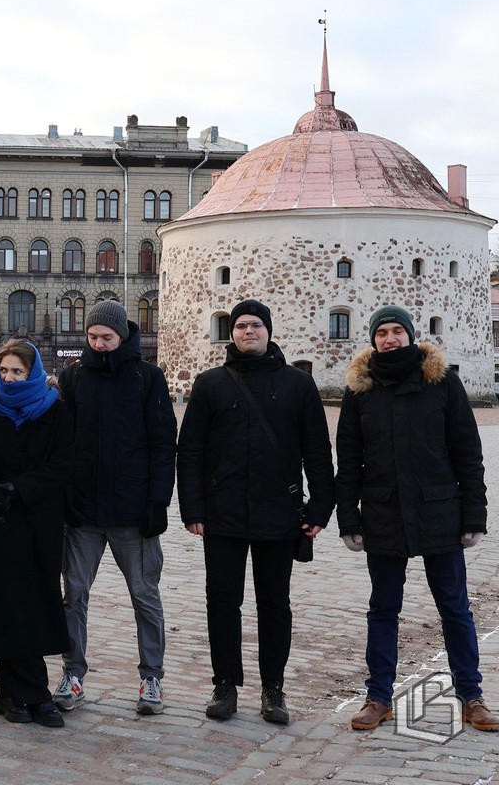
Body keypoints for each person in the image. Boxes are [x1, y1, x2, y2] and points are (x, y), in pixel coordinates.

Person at [335, 305, 498, 733]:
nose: (390, 340)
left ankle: (471, 695)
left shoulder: (442, 383)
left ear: (411, 335)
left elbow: (467, 452)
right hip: (384, 512)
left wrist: (473, 515)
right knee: (383, 609)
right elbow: (348, 460)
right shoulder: (360, 391)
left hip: (438, 511)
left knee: (455, 608)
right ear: (373, 339)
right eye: (383, 333)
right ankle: (378, 697)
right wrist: (348, 519)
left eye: (397, 332)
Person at [176, 298, 334, 725]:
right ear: (232, 333)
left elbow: (318, 451)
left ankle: (273, 689)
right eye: (242, 326)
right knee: (222, 601)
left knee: (274, 604)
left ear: (269, 331)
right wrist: (192, 507)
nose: (249, 332)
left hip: (279, 512)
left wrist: (320, 507)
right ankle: (225, 684)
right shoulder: (211, 384)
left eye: (257, 326)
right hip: (222, 511)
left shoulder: (298, 385)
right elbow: (189, 449)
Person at [55, 300, 177, 715]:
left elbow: (163, 445)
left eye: (106, 338)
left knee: (145, 596)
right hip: (84, 512)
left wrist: (158, 501)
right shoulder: (73, 378)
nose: (99, 344)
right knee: (74, 595)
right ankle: (73, 674)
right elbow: (64, 444)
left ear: (122, 336)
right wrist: (66, 497)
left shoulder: (148, 377)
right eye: (92, 337)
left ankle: (152, 678)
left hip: (133, 512)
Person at [0, 339, 74, 728]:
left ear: (33, 372)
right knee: (6, 604)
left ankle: (19, 693)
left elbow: (64, 463)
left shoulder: (54, 411)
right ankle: (26, 693)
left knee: (36, 603)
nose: (8, 378)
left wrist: (22, 488)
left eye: (17, 372)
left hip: (38, 518)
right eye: (4, 371)